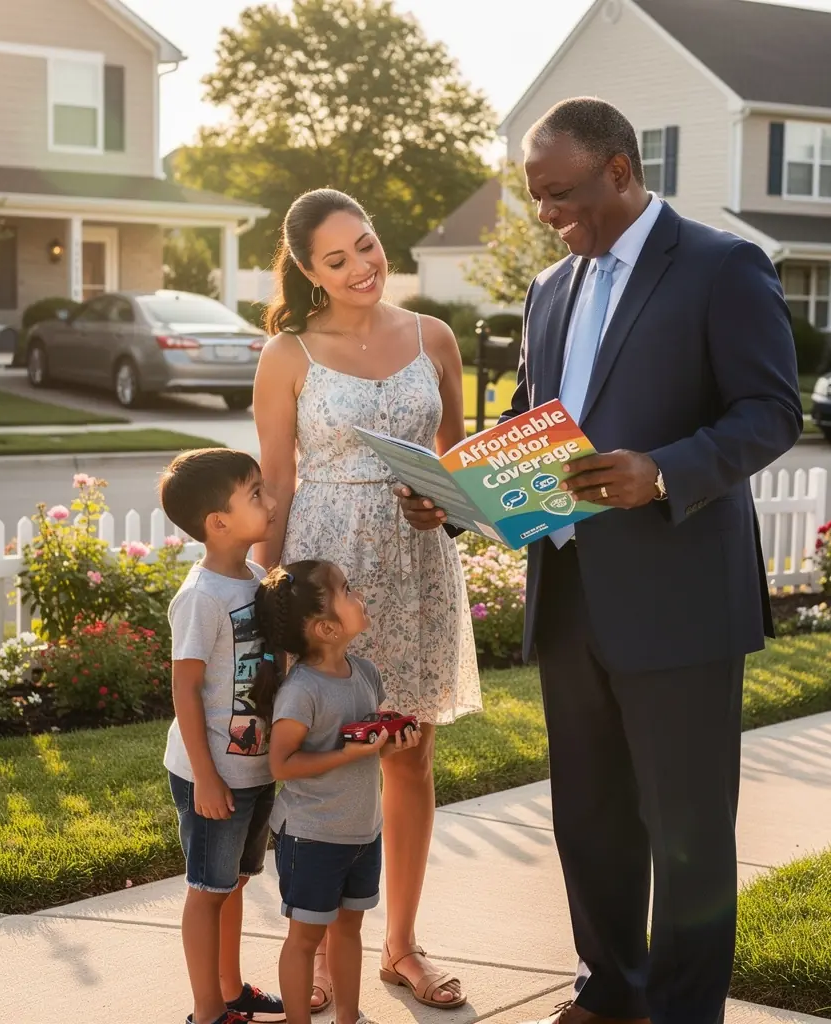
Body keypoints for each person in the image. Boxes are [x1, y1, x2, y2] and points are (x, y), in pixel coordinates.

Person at [398, 97, 803, 1024]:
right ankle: (609, 989)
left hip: (681, 602)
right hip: (573, 594)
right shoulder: (551, 287)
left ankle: (683, 1011)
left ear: (621, 170)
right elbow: (534, 425)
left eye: (562, 194)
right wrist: (456, 499)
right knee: (590, 820)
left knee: (688, 835)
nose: (548, 215)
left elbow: (773, 411)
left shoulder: (721, 266)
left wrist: (662, 471)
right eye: (537, 198)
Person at [254, 189, 480, 1011]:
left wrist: (445, 501)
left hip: (417, 568)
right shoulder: (287, 355)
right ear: (309, 272)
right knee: (328, 756)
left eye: (369, 245)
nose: (362, 266)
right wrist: (263, 606)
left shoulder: (436, 337)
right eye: (338, 258)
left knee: (409, 751)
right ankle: (318, 948)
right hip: (327, 573)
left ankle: (401, 946)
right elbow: (275, 484)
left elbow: (459, 462)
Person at [255, 559, 422, 1024]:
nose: (358, 594)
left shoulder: (365, 673)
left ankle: (348, 1017)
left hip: (362, 832)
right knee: (306, 939)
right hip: (313, 836)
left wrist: (390, 746)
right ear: (327, 628)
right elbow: (282, 764)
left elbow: (365, 752)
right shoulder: (302, 692)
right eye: (347, 590)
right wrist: (350, 755)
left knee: (350, 932)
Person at [159, 448, 286, 1024]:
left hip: (254, 770)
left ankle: (232, 991)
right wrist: (207, 778)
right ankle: (207, 1012)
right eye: (255, 493)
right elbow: (185, 691)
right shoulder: (200, 597)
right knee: (207, 891)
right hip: (211, 777)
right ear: (219, 522)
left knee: (233, 883)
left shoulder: (257, 579)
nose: (270, 500)